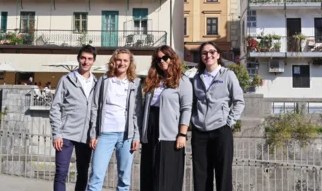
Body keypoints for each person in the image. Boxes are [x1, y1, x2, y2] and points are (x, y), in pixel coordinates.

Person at [191, 41, 245, 191]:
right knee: (201, 176)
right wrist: (193, 120)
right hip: (199, 132)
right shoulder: (196, 78)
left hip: (221, 130)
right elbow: (192, 102)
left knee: (223, 174)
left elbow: (239, 101)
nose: (208, 55)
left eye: (212, 52)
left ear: (218, 55)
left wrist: (229, 122)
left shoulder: (228, 75)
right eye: (204, 53)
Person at [138, 45, 192, 191]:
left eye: (165, 58)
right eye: (158, 59)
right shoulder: (152, 80)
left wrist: (182, 134)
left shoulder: (182, 81)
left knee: (166, 178)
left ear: (172, 58)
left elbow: (186, 108)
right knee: (149, 176)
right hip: (150, 130)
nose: (162, 61)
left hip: (169, 133)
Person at [87, 49, 140, 191]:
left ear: (130, 63)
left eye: (125, 60)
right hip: (105, 134)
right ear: (113, 61)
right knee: (96, 175)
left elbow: (137, 112)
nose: (122, 63)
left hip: (126, 135)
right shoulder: (104, 80)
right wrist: (93, 133)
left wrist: (136, 135)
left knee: (124, 179)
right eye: (119, 60)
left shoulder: (135, 83)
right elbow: (95, 107)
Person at [49, 45, 97, 191]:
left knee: (83, 173)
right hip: (66, 134)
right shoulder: (66, 80)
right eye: (83, 58)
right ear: (78, 59)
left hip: (86, 136)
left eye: (89, 59)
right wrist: (57, 134)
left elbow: (97, 111)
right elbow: (55, 107)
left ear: (93, 61)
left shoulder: (97, 83)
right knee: (61, 173)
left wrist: (94, 134)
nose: (86, 62)